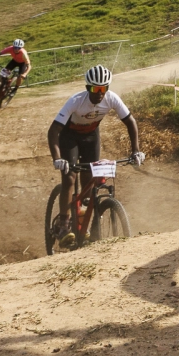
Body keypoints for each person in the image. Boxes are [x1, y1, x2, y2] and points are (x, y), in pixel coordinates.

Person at [47, 65, 144, 236]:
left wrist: (136, 150)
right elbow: (53, 131)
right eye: (95, 88)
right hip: (70, 137)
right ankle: (64, 222)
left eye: (103, 88)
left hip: (91, 136)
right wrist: (57, 158)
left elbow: (131, 122)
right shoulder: (76, 101)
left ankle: (84, 215)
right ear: (87, 88)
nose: (100, 93)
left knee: (89, 177)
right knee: (69, 178)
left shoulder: (111, 98)